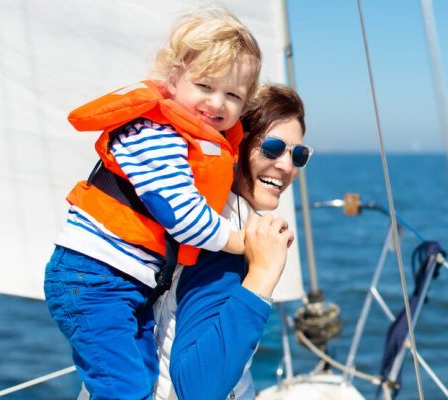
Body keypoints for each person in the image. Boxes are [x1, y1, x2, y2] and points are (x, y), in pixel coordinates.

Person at [43, 7, 261, 400]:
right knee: (122, 389)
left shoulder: (194, 137)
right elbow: (185, 218)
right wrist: (247, 244)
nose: (217, 103)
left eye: (233, 95)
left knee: (139, 380)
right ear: (174, 79)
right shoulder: (155, 134)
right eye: (205, 86)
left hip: (126, 284)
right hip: (92, 281)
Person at [153, 84, 313, 400]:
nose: (286, 166)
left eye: (299, 155)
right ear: (235, 144)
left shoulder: (204, 215)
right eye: (272, 148)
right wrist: (262, 275)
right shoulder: (221, 240)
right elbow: (197, 389)